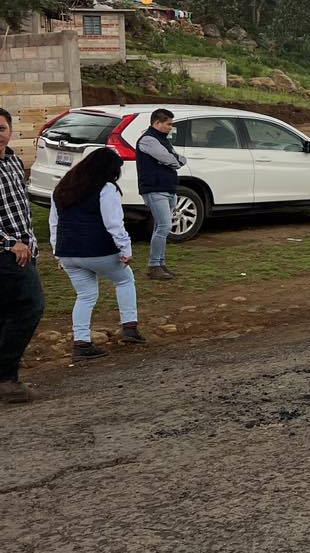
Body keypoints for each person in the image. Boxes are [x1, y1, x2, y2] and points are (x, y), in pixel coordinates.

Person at [49, 147, 144, 359]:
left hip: (68, 252)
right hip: (98, 250)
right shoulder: (106, 188)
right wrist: (126, 249)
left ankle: (81, 343)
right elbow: (114, 224)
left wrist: (58, 253)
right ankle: (129, 328)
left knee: (85, 295)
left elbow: (54, 223)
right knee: (125, 280)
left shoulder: (61, 188)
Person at [0, 108, 43, 403]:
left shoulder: (13, 159)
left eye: (1, 127)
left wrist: (30, 241)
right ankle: (6, 378)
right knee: (30, 306)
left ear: (10, 130)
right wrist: (9, 242)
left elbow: (21, 208)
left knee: (6, 313)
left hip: (23, 250)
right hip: (6, 251)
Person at [136, 107, 186, 280]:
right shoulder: (149, 140)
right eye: (168, 124)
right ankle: (154, 265)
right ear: (157, 122)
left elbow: (175, 157)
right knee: (164, 226)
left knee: (161, 227)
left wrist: (175, 160)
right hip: (154, 188)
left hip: (166, 188)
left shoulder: (161, 139)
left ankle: (160, 263)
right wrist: (175, 161)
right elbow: (168, 158)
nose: (170, 127)